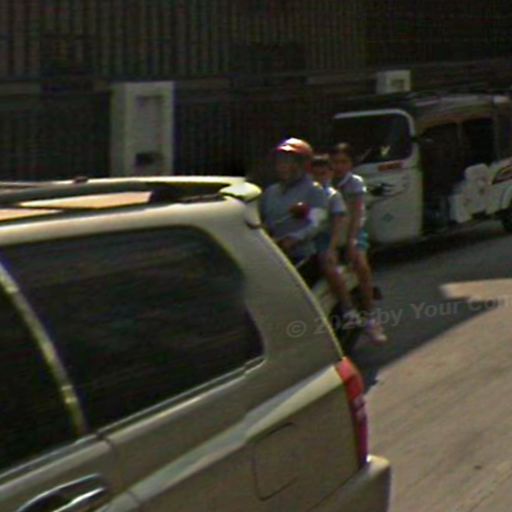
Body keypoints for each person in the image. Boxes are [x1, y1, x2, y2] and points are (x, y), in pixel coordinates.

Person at [329, 142, 388, 344]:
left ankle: (371, 317)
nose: (338, 166)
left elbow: (357, 214)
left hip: (352, 231)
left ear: (350, 164)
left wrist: (352, 240)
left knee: (361, 265)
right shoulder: (324, 182)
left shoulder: (354, 183)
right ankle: (346, 309)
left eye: (343, 162)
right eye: (335, 162)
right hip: (332, 233)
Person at [259, 138, 328, 282]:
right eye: (280, 161)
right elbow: (265, 220)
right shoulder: (271, 191)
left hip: (303, 255)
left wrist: (294, 238)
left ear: (304, 164)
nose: (283, 166)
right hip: (276, 254)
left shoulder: (314, 190)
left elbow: (318, 223)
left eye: (289, 161)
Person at [310, 154, 361, 328]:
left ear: (330, 174)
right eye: (315, 174)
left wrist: (332, 248)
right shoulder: (308, 195)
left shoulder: (332, 196)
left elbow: (338, 225)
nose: (319, 178)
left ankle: (348, 309)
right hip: (308, 238)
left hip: (326, 238)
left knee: (328, 266)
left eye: (323, 174)